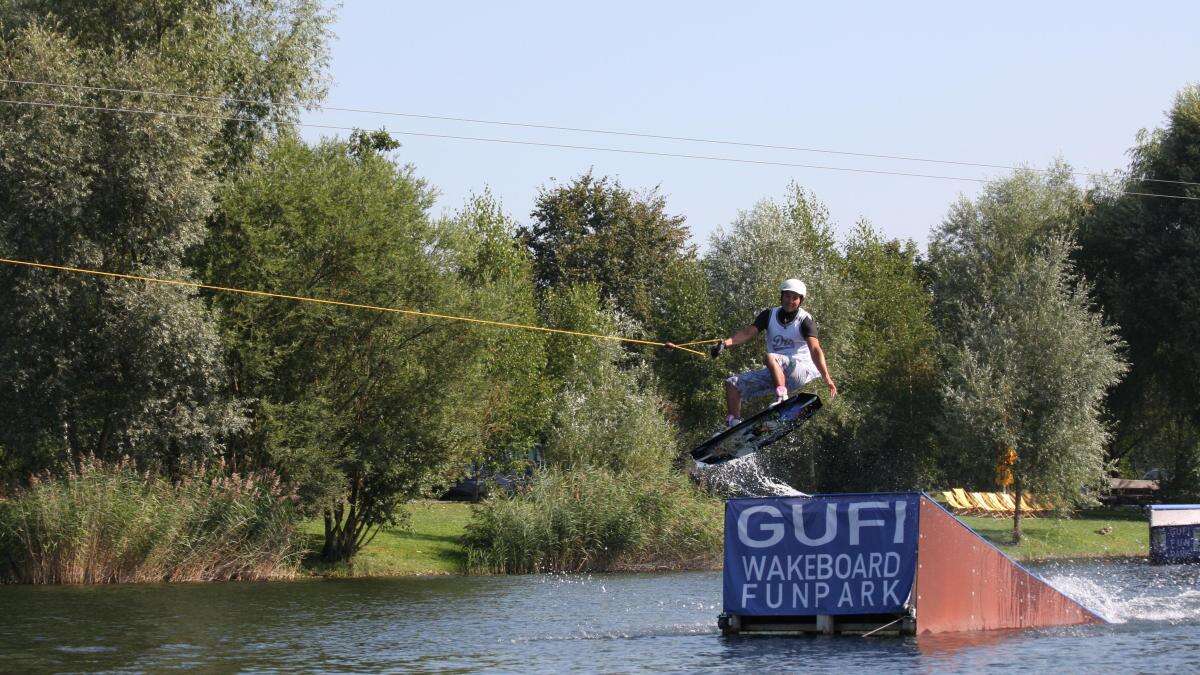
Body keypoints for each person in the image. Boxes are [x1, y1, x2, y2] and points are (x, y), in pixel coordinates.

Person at [707, 279, 836, 427]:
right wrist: (725, 344)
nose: (790, 301)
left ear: (801, 301)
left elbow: (815, 349)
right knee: (732, 383)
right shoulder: (769, 315)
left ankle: (782, 398)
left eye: (795, 298)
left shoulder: (805, 320)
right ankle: (734, 425)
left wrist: (827, 377)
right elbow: (748, 333)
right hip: (777, 373)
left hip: (799, 370)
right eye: (787, 296)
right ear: (781, 296)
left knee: (771, 357)